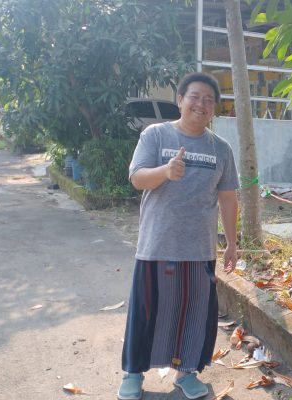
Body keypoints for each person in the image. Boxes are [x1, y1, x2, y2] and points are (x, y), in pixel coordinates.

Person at [118, 72, 239, 400]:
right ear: (181, 100)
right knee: (148, 311)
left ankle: (186, 373)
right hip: (156, 245)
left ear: (214, 108)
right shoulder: (155, 135)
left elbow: (228, 198)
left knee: (195, 313)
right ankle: (133, 372)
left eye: (209, 100)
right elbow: (137, 178)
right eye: (195, 97)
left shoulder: (222, 149)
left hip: (199, 249)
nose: (201, 105)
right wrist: (165, 172)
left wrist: (231, 243)